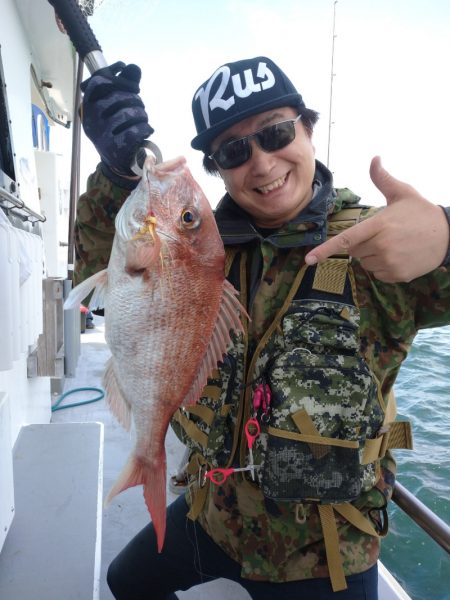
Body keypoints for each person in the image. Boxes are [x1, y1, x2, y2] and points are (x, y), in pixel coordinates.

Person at [75, 56, 450, 599]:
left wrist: (445, 232)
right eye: (234, 150)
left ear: (308, 129)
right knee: (126, 581)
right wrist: (114, 172)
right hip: (213, 515)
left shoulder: (380, 243)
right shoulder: (205, 247)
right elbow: (101, 263)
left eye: (276, 133)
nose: (262, 162)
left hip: (322, 555)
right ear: (217, 168)